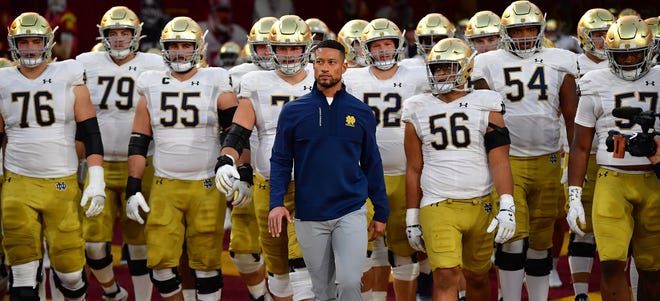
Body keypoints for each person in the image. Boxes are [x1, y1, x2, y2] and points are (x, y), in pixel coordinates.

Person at [124, 16, 238, 301]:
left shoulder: (216, 79)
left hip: (207, 183)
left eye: (185, 45)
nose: (179, 51)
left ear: (198, 47)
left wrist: (239, 171)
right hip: (165, 184)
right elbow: (139, 140)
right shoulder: (150, 83)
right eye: (173, 45)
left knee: (207, 264)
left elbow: (236, 134)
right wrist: (133, 186)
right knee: (161, 265)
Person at [266, 38, 388, 301]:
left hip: (351, 209)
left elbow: (372, 163)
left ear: (344, 67)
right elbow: (280, 160)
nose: (324, 68)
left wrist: (381, 210)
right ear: (313, 65)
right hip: (309, 213)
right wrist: (276, 202)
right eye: (319, 62)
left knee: (349, 283)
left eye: (331, 63)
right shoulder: (292, 111)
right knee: (321, 291)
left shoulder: (362, 112)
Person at [471, 1, 579, 300]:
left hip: (549, 158)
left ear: (541, 29)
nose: (524, 35)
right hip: (508, 159)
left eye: (530, 28)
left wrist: (572, 164)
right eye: (517, 30)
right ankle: (509, 296)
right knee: (512, 239)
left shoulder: (561, 59)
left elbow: (572, 117)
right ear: (506, 32)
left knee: (541, 242)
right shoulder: (487, 62)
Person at [0, 12, 106, 300]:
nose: (31, 48)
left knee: (70, 276)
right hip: (17, 182)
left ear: (48, 42)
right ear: (14, 44)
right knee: (21, 274)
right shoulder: (3, 79)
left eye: (37, 41)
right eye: (24, 42)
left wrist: (96, 178)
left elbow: (90, 132)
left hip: (62, 182)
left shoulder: (68, 73)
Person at [403, 37, 515, 301]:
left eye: (448, 67)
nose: (441, 73)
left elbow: (499, 160)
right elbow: (413, 168)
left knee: (478, 276)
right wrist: (411, 215)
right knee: (445, 275)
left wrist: (508, 205)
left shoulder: (487, 102)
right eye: (437, 68)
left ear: (465, 68)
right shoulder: (416, 106)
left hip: (480, 203)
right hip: (437, 203)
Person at [214, 15, 315, 301]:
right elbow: (238, 130)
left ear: (307, 48)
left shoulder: (322, 76)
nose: (288, 54)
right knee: (279, 274)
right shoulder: (255, 81)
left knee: (303, 266)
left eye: (294, 48)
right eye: (281, 48)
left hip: (314, 184)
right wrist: (227, 159)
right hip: (269, 184)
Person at [75, 6, 168, 300]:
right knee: (92, 243)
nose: (118, 39)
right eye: (112, 33)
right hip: (97, 164)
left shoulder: (154, 64)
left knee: (140, 241)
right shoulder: (83, 63)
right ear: (103, 35)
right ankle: (112, 291)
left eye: (124, 32)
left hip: (141, 163)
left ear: (136, 34)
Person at [567, 16, 660, 301]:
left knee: (653, 268)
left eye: (635, 52)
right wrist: (573, 195)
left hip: (654, 179)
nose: (630, 59)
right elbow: (580, 146)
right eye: (623, 54)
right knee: (610, 263)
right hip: (611, 178)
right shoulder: (595, 80)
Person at [343, 17, 427, 301]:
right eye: (375, 45)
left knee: (403, 246)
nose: (382, 51)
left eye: (387, 44)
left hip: (405, 172)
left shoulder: (417, 73)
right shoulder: (350, 77)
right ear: (363, 48)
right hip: (362, 175)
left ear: (399, 45)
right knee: (363, 247)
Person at [563, 8, 616, 301]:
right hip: (584, 151)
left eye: (607, 34)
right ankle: (581, 293)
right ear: (584, 36)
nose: (603, 40)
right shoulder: (571, 64)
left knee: (626, 233)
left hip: (618, 157)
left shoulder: (629, 63)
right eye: (597, 34)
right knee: (582, 227)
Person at [225, 16, 278, 301]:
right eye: (262, 48)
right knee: (243, 251)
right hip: (254, 170)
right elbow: (233, 130)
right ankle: (261, 296)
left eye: (274, 47)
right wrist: (240, 170)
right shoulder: (237, 76)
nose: (268, 54)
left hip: (296, 174)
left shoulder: (306, 74)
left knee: (297, 253)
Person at [200, 0, 248, 67]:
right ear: (211, 12)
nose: (224, 16)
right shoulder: (200, 32)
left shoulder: (240, 34)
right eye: (220, 11)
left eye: (227, 11)